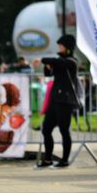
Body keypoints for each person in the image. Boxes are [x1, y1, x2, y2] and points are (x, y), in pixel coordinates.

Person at [33, 35, 79, 168]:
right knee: (46, 129)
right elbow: (49, 74)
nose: (59, 47)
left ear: (68, 47)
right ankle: (47, 159)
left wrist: (42, 60)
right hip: (55, 100)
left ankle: (64, 160)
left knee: (64, 130)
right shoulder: (59, 61)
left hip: (65, 101)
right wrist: (47, 67)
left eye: (61, 45)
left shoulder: (72, 61)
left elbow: (59, 63)